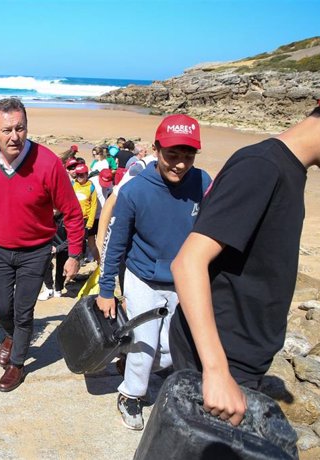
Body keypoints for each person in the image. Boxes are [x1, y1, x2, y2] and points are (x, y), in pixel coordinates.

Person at [169, 90, 320, 427]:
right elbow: (188, 263)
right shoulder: (263, 167)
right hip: (224, 355)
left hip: (239, 354)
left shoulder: (286, 169)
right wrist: (216, 371)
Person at [0, 97, 85, 392]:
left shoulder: (48, 163)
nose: (14, 136)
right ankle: (13, 335)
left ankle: (17, 364)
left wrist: (74, 253)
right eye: (7, 130)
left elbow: (72, 212)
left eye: (20, 128)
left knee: (24, 311)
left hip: (35, 252)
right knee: (1, 308)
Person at [96, 114, 211, 431]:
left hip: (182, 281)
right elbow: (115, 245)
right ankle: (130, 395)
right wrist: (106, 290)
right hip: (141, 277)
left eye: (188, 156)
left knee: (174, 350)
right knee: (145, 345)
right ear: (157, 150)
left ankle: (128, 359)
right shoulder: (134, 191)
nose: (180, 164)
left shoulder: (203, 183)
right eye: (172, 155)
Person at [72, 163, 99, 262]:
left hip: (85, 219)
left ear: (87, 175)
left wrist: (90, 222)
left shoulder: (91, 187)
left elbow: (94, 206)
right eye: (77, 175)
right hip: (74, 218)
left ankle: (96, 261)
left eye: (82, 175)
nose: (79, 177)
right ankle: (77, 259)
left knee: (87, 241)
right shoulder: (73, 184)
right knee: (74, 240)